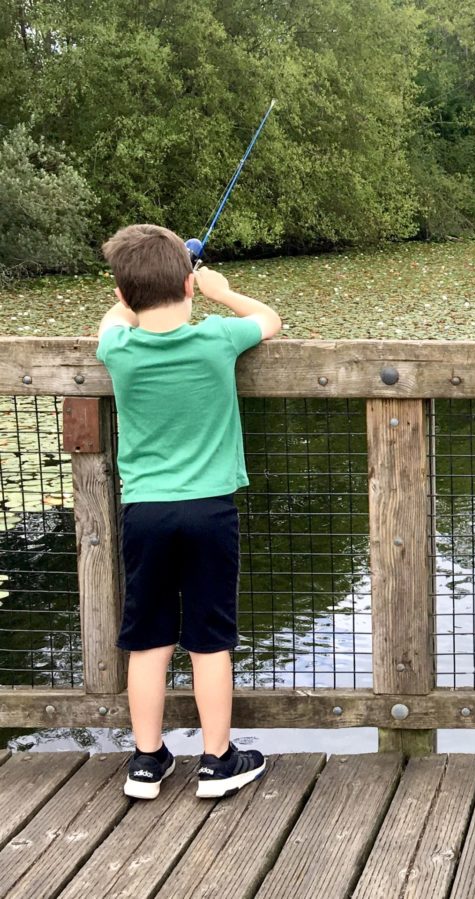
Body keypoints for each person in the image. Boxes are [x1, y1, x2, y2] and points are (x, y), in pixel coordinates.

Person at [96, 224, 282, 799]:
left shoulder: (117, 349)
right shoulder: (218, 340)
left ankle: (147, 762)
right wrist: (216, 289)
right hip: (209, 512)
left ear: (124, 293)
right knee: (209, 638)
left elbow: (116, 317)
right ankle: (217, 760)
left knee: (148, 639)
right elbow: (271, 319)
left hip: (146, 511)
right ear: (187, 284)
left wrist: (146, 285)